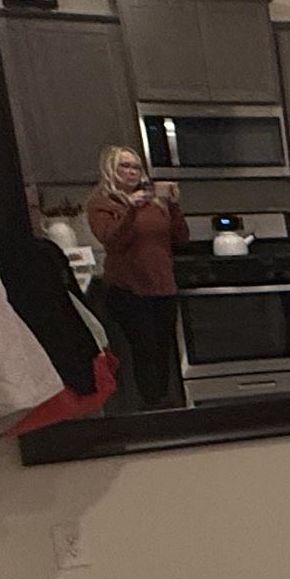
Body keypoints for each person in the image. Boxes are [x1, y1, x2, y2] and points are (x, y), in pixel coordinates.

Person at [86, 144, 184, 410]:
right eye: (124, 166)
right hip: (127, 289)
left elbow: (180, 237)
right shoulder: (103, 204)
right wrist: (130, 210)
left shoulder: (154, 203)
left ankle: (166, 406)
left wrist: (173, 206)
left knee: (164, 349)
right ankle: (149, 409)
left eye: (136, 167)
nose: (131, 172)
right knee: (143, 351)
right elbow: (112, 240)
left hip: (162, 285)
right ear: (110, 170)